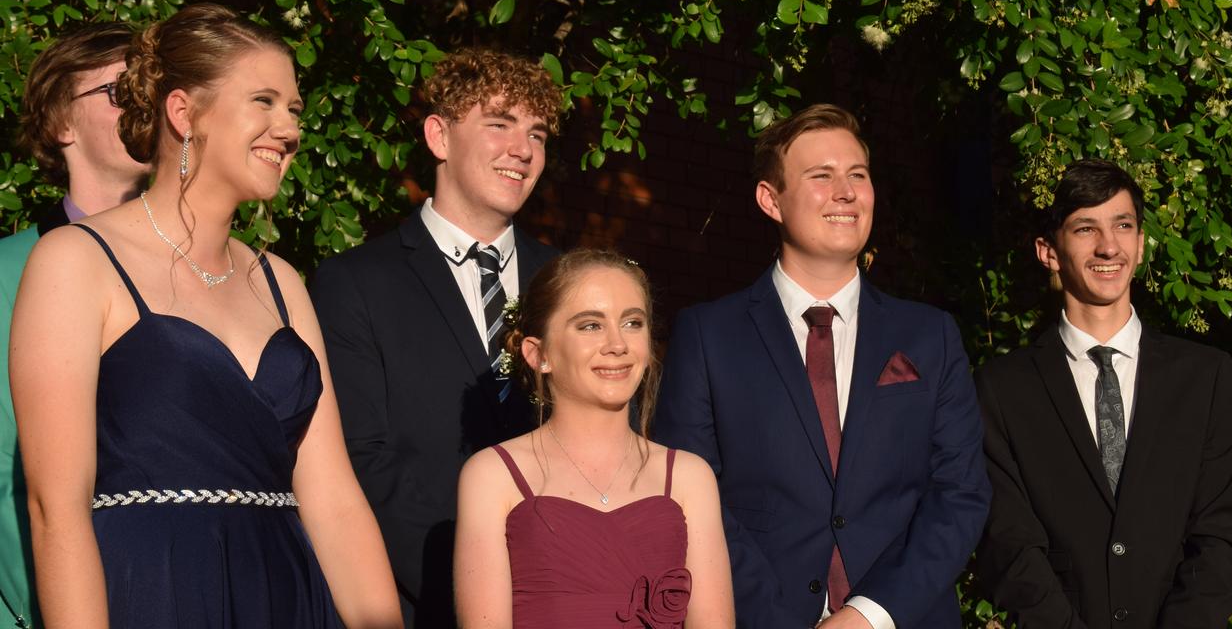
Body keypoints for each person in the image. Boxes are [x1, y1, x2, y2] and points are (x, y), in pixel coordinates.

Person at [9, 3, 400, 628]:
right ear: (183, 112)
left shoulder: (282, 284)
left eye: (294, 109)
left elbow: (334, 502)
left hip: (288, 595)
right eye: (264, 101)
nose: (289, 129)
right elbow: (56, 507)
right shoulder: (77, 261)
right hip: (155, 589)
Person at [655, 103, 991, 628]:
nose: (847, 191)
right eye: (822, 176)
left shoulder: (931, 337)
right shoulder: (707, 336)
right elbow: (688, 499)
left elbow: (960, 495)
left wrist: (867, 616)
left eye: (858, 175)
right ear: (771, 200)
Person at [310, 48, 561, 627]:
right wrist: (484, 584)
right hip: (421, 599)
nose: (522, 150)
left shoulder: (568, 283)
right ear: (438, 137)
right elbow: (359, 461)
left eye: (538, 134)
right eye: (499, 124)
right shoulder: (355, 282)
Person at [974, 159, 1232, 628]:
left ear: (1141, 245)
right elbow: (1009, 544)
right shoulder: (1000, 390)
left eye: (1122, 225)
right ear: (1048, 251)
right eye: (1086, 228)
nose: (1108, 246)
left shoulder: (1206, 378)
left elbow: (1223, 532)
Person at [454, 248, 734, 628]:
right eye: (590, 325)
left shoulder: (689, 477)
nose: (618, 344)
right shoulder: (492, 476)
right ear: (539, 354)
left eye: (633, 323)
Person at [0, 22, 148, 629]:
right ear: (62, 123)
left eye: (152, 89)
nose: (143, 104)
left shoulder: (217, 271)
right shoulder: (8, 273)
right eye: (120, 92)